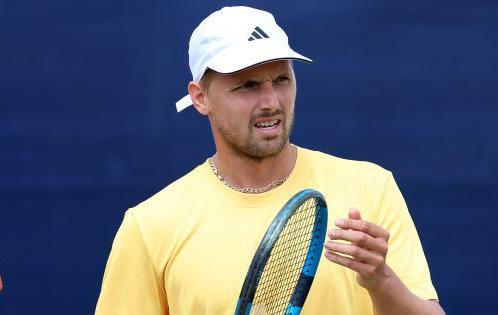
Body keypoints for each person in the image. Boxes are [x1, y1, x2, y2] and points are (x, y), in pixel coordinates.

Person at [95, 6, 445, 315]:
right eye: (247, 86)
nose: (271, 102)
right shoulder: (149, 225)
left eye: (281, 79)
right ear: (200, 98)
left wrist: (379, 279)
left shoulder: (371, 187)